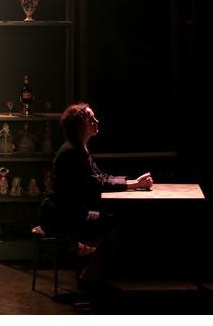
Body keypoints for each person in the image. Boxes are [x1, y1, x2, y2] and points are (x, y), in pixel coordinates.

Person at [36, 102, 153, 289]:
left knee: (114, 221)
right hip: (63, 215)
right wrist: (135, 185)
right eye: (91, 119)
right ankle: (90, 278)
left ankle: (92, 274)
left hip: (68, 211)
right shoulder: (73, 152)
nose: (96, 121)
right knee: (116, 225)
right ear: (79, 126)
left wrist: (132, 182)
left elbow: (100, 177)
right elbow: (96, 184)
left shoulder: (79, 148)